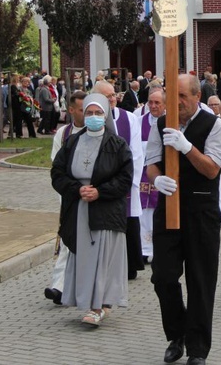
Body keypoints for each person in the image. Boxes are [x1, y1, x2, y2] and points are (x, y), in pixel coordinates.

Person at [145, 74, 221, 365]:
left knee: (201, 280)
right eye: (173, 95)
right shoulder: (160, 123)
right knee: (163, 276)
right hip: (168, 209)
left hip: (201, 211)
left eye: (182, 96)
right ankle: (177, 333)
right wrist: (157, 181)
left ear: (197, 97)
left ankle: (197, 349)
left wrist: (186, 147)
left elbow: (211, 170)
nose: (177, 102)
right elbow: (151, 164)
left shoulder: (215, 126)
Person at [51, 93, 133, 327]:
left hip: (105, 210)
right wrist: (77, 189)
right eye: (89, 113)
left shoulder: (117, 144)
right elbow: (57, 173)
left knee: (102, 258)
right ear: (82, 114)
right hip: (79, 208)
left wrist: (100, 191)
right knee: (84, 258)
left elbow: (125, 178)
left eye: (98, 113)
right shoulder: (72, 142)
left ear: (106, 114)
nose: (94, 117)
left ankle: (98, 307)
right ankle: (89, 302)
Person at [92, 80, 145, 280]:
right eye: (106, 97)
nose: (112, 99)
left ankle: (130, 266)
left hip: (126, 182)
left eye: (113, 95)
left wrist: (129, 180)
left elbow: (136, 153)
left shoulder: (129, 118)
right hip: (102, 183)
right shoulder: (93, 119)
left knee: (128, 222)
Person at [44, 90, 87, 306]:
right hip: (70, 196)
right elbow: (57, 167)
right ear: (71, 110)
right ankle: (58, 286)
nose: (87, 113)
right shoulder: (63, 135)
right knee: (67, 241)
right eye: (81, 110)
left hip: (93, 196)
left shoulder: (98, 131)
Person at [139, 89, 165, 263]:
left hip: (161, 173)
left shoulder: (170, 121)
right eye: (150, 102)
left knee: (159, 211)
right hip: (141, 173)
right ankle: (143, 248)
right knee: (143, 211)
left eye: (157, 103)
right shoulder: (138, 121)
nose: (153, 106)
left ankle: (159, 249)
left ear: (164, 104)